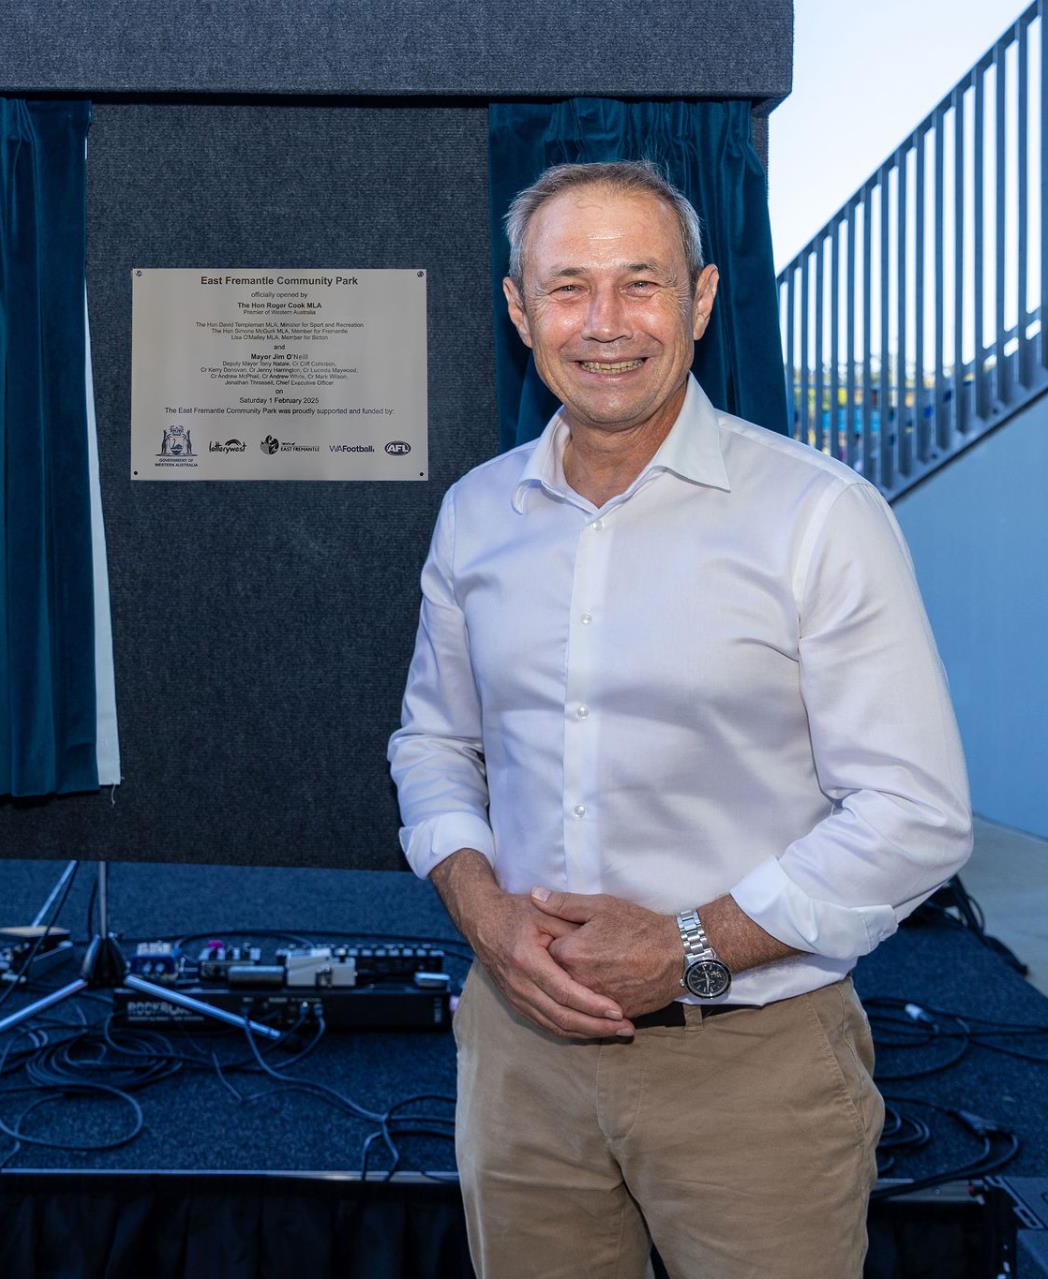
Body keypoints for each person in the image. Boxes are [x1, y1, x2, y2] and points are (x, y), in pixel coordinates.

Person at [387, 159, 972, 1278]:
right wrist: (483, 913)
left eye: (640, 283)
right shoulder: (476, 513)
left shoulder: (818, 516)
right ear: (520, 312)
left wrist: (689, 949)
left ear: (701, 300)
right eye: (568, 288)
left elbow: (915, 812)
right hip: (518, 1057)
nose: (605, 324)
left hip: (749, 1068)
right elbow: (431, 743)